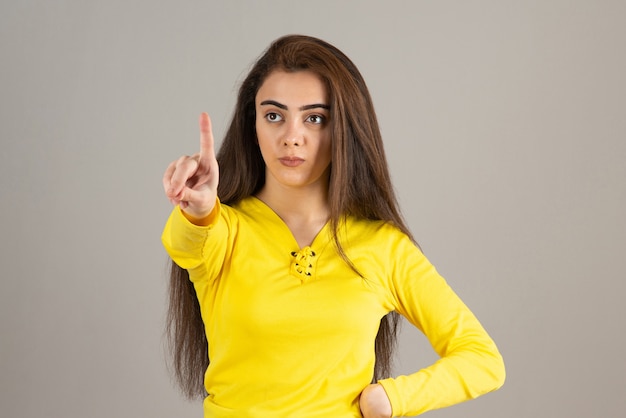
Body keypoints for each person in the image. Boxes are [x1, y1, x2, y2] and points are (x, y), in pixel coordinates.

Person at [161, 34, 505, 417]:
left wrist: (394, 398)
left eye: (315, 118)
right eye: (274, 115)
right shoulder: (221, 230)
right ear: (252, 124)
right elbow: (186, 242)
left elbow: (483, 360)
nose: (292, 137)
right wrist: (199, 208)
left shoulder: (383, 246)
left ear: (344, 127)